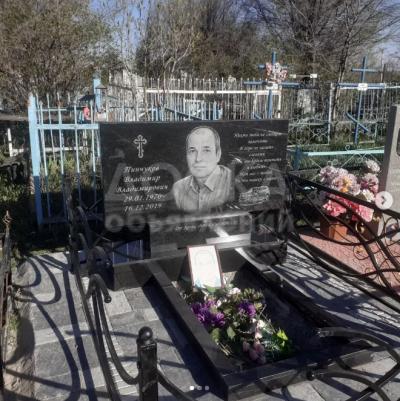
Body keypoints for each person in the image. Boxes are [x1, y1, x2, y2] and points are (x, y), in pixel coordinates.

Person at [173, 126, 233, 213]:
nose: (198, 159)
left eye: (206, 150)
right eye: (192, 151)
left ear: (218, 155)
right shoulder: (178, 188)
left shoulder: (233, 181)